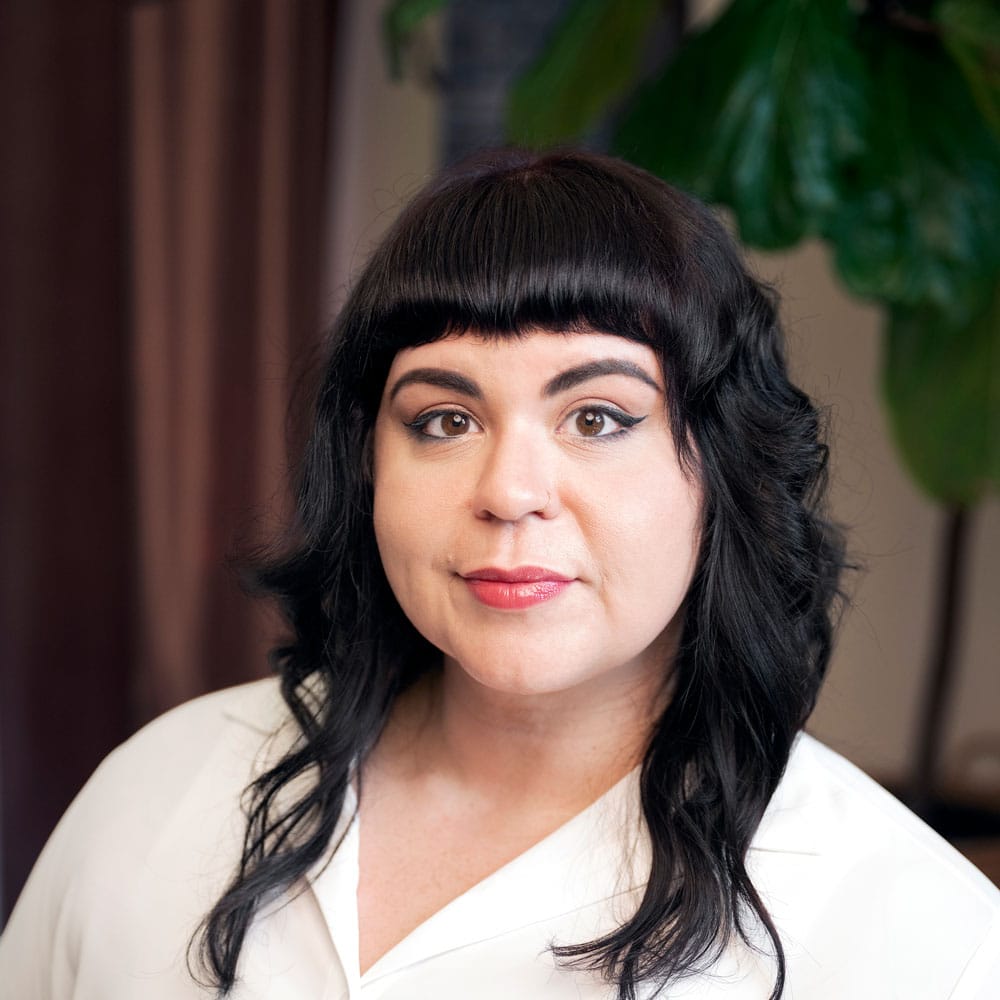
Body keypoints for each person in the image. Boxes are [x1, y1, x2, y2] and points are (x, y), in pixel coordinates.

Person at [2, 149, 998, 1000]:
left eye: (598, 417)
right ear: (367, 469)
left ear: (722, 470)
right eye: (444, 420)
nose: (510, 490)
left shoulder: (915, 938)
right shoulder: (159, 791)